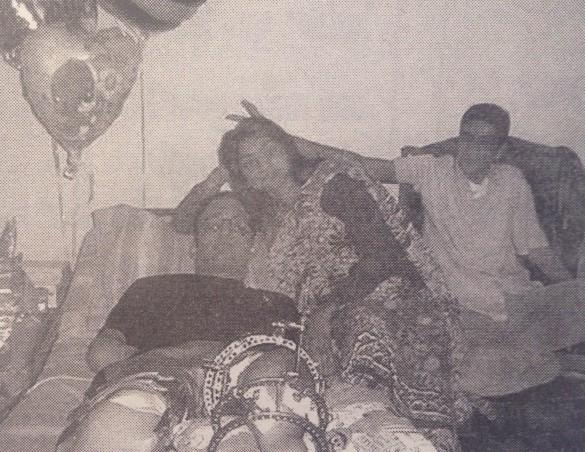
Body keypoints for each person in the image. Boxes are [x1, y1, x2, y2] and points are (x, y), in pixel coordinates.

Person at [236, 100, 585, 396]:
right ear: (458, 138)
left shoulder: (512, 181)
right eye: (467, 137)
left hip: (521, 300)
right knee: (470, 373)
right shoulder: (431, 170)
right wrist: (287, 140)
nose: (472, 149)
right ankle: (544, 358)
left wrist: (570, 287)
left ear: (500, 149)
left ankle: (533, 350)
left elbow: (536, 249)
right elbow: (361, 164)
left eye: (485, 142)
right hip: (466, 310)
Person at [178, 111, 466, 450]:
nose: (265, 165)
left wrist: (325, 312)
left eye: (270, 151)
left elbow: (383, 256)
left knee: (362, 328)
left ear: (289, 150)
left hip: (387, 299)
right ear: (243, 175)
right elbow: (183, 222)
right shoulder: (262, 214)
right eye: (251, 162)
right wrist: (221, 172)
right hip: (316, 323)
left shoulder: (333, 185)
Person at [56, 191, 302, 452]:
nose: (226, 230)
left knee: (267, 422)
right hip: (163, 376)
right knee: (112, 428)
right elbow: (101, 353)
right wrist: (176, 358)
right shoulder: (152, 289)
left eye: (238, 226)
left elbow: (295, 368)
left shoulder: (278, 303)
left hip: (247, 390)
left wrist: (231, 366)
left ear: (252, 245)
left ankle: (230, 430)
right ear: (193, 246)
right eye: (214, 225)